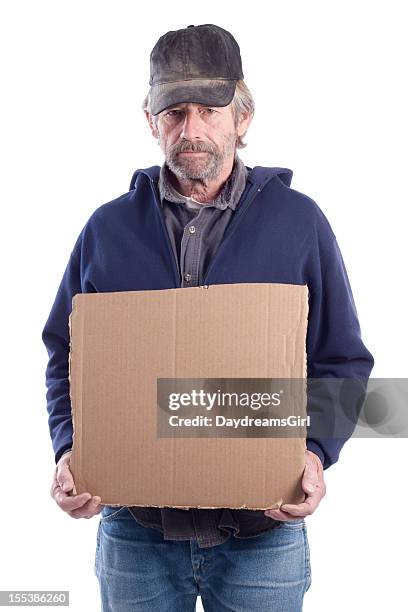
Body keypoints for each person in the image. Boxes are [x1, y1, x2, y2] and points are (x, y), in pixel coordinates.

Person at [42, 23, 374, 611]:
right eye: (173, 112)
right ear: (151, 121)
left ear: (241, 117)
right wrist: (71, 450)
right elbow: (66, 355)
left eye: (208, 109)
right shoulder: (106, 230)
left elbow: (341, 359)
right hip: (135, 535)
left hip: (261, 538)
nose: (191, 130)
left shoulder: (299, 223)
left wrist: (315, 453)